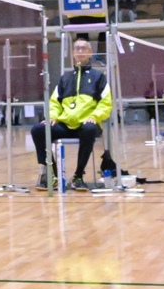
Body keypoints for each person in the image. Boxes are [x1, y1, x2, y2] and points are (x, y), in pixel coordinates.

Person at [31, 35, 111, 189]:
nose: (80, 51)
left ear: (90, 52)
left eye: (83, 48)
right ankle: (52, 174)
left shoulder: (98, 77)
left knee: (89, 129)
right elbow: (55, 102)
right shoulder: (65, 78)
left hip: (87, 124)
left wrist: (94, 116)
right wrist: (53, 116)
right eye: (77, 48)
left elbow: (106, 103)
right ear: (73, 53)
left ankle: (78, 176)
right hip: (66, 125)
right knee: (38, 130)